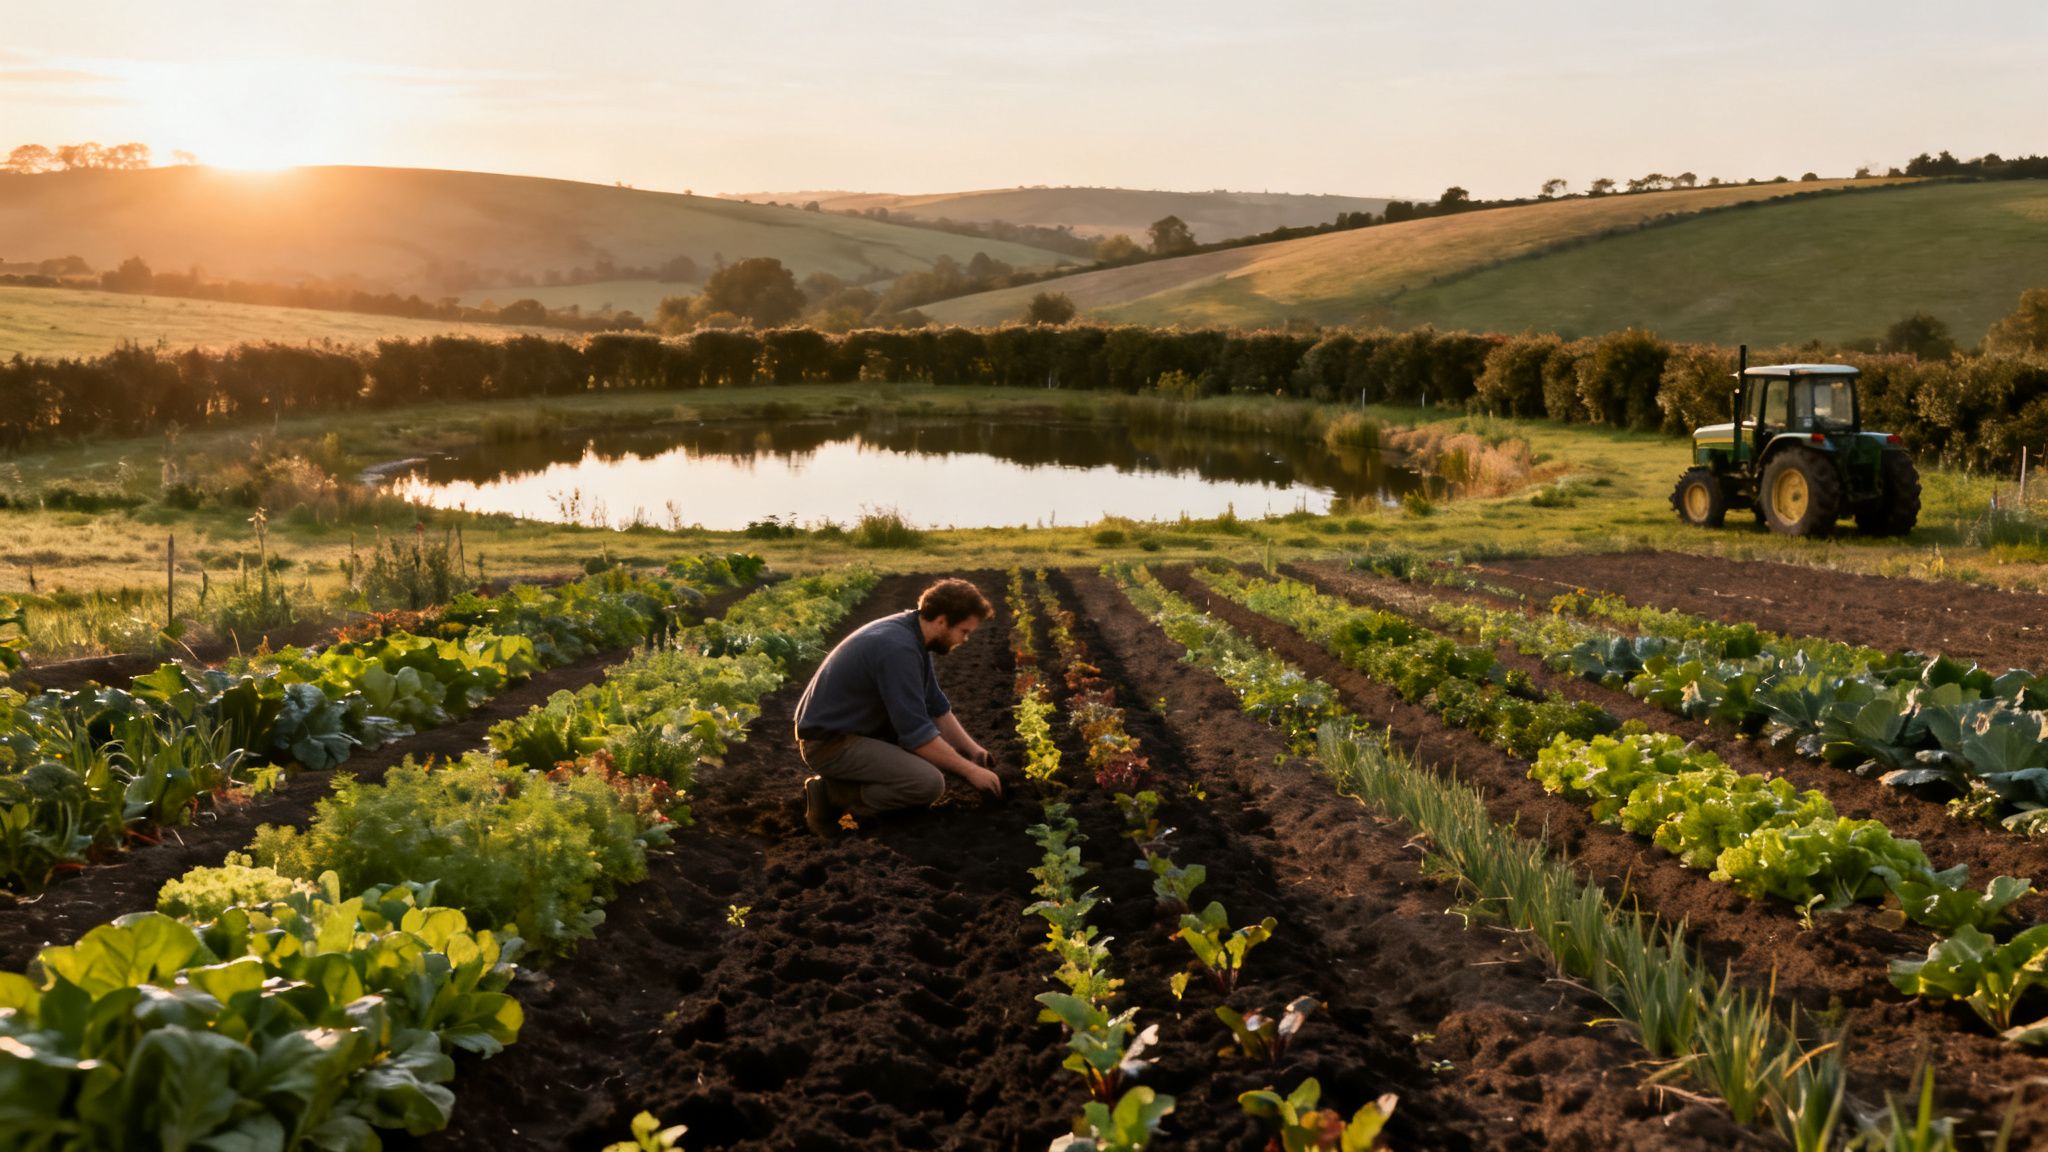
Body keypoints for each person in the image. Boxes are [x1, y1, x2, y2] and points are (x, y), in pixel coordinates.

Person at [793, 577, 1004, 835]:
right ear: (942, 621)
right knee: (926, 782)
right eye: (964, 631)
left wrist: (973, 752)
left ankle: (844, 788)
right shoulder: (898, 649)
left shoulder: (911, 633)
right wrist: (971, 772)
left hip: (855, 732)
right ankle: (833, 795)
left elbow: (936, 708)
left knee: (937, 758)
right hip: (830, 744)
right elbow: (917, 736)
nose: (965, 639)